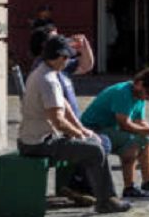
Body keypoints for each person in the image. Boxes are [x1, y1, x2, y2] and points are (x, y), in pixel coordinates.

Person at [17, 36, 130, 214]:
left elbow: (65, 106)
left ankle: (100, 194)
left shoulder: (45, 71)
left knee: (96, 143)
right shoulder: (47, 81)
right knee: (94, 150)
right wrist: (81, 135)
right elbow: (58, 121)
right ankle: (104, 199)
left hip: (41, 138)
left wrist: (82, 129)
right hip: (38, 144)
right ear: (60, 57)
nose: (69, 61)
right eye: (67, 57)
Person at [30, 26, 106, 206]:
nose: (63, 40)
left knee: (99, 141)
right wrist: (80, 133)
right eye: (56, 39)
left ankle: (85, 186)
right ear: (45, 46)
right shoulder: (45, 72)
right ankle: (83, 187)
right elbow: (57, 117)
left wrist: (84, 45)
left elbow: (86, 65)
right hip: (54, 132)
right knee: (96, 145)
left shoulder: (58, 65)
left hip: (70, 125)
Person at [81, 69, 149, 200]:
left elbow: (139, 121)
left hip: (109, 129)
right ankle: (129, 188)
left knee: (146, 139)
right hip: (92, 130)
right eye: (148, 94)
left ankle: (148, 182)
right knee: (131, 142)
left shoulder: (140, 94)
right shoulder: (123, 93)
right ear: (139, 84)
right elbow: (125, 124)